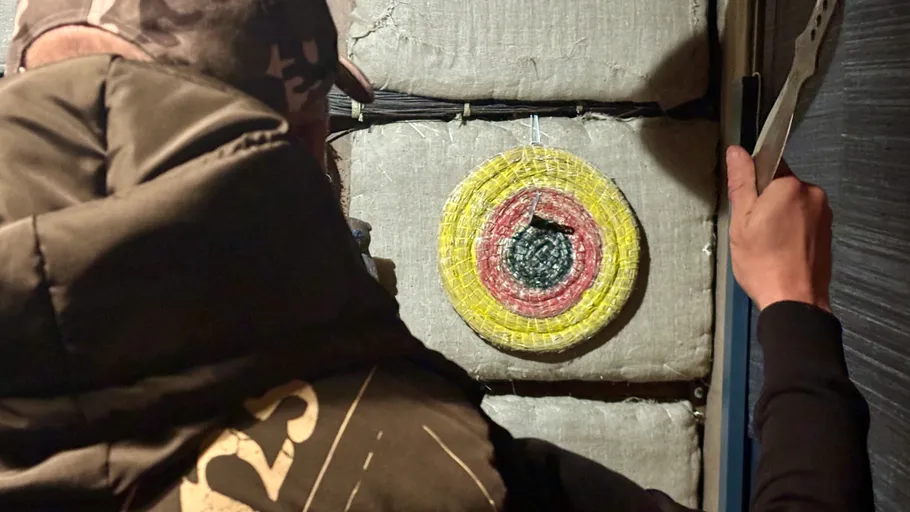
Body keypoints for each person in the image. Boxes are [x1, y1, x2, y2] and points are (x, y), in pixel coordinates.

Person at [0, 1, 872, 510]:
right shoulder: (407, 457)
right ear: (277, 151)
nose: (332, 159)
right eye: (317, 131)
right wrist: (794, 308)